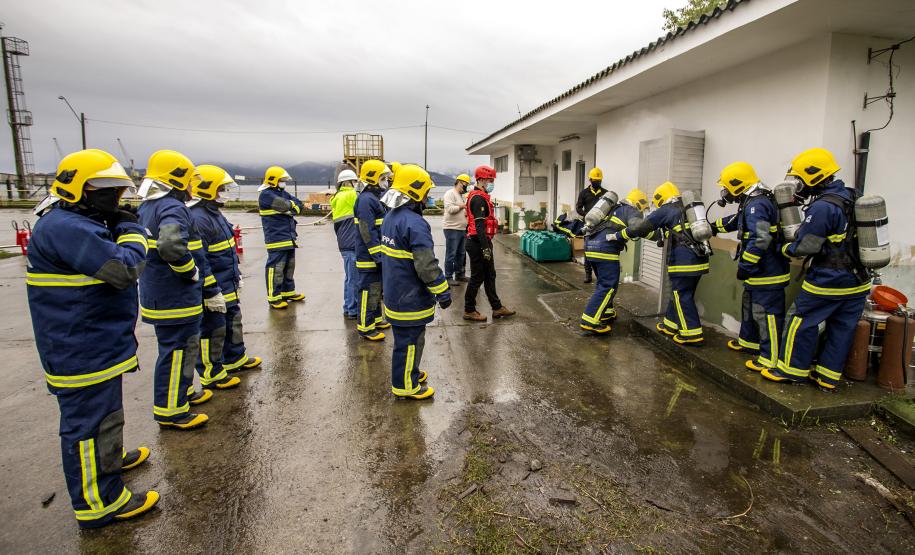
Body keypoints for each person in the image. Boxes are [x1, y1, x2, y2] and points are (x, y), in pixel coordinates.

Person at [26, 149, 159, 527]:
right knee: (87, 425)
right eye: (105, 191)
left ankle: (110, 462)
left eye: (117, 192)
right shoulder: (67, 228)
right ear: (77, 190)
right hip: (80, 346)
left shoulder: (73, 223)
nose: (114, 200)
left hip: (91, 342)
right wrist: (132, 231)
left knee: (105, 416)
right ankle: (100, 501)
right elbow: (123, 268)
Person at [762, 148, 871, 391]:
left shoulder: (822, 208)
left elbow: (806, 246)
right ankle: (827, 377)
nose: (797, 185)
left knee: (800, 322)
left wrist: (786, 250)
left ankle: (790, 371)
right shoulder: (853, 196)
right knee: (842, 328)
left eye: (799, 179)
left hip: (828, 280)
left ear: (813, 177)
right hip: (859, 281)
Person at [138, 149, 214, 430]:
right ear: (177, 179)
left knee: (180, 348)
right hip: (175, 295)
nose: (193, 186)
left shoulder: (148, 206)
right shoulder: (171, 207)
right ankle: (171, 410)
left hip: (160, 293)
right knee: (177, 350)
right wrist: (191, 271)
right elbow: (171, 246)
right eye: (189, 180)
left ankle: (180, 395)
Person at [188, 165, 264, 393]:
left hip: (227, 281)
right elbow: (200, 259)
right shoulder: (198, 218)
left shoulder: (213, 213)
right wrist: (209, 289)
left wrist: (236, 275)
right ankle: (212, 372)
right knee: (212, 329)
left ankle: (235, 358)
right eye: (220, 188)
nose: (224, 192)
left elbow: (226, 250)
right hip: (214, 284)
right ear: (207, 189)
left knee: (233, 321)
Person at [379, 164, 451, 399]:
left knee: (407, 340)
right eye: (427, 192)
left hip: (395, 292)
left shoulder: (391, 217)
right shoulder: (415, 223)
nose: (429, 196)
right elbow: (426, 265)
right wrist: (442, 291)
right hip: (409, 297)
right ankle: (405, 386)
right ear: (416, 191)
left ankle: (410, 371)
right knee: (409, 341)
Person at [711, 162, 790, 372]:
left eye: (727, 187)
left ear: (737, 184)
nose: (725, 192)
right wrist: (711, 226)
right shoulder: (750, 202)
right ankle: (749, 342)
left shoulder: (758, 204)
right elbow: (736, 221)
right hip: (758, 273)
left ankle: (769, 358)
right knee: (750, 308)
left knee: (767, 316)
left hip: (768, 273)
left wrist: (746, 265)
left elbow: (760, 238)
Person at [627, 181, 710, 345]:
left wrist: (625, 232)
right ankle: (670, 325)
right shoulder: (686, 208)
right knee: (680, 293)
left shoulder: (666, 209)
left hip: (683, 262)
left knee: (681, 295)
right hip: (700, 259)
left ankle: (692, 334)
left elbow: (642, 227)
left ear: (661, 199)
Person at [582, 189, 650, 335]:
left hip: (590, 247)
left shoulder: (612, 208)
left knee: (602, 283)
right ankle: (589, 321)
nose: (642, 212)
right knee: (608, 286)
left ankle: (606, 312)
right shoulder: (631, 210)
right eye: (643, 209)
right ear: (639, 203)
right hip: (605, 251)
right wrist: (657, 234)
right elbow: (638, 227)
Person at [463, 165, 516, 322]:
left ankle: (497, 307)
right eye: (489, 180)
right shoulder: (478, 198)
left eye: (492, 180)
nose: (491, 182)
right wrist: (485, 248)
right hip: (477, 242)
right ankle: (469, 309)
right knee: (477, 277)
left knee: (490, 275)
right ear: (480, 180)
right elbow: (479, 226)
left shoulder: (482, 196)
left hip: (482, 241)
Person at [353, 159, 392, 341]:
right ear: (373, 178)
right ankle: (365, 326)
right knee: (368, 290)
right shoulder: (365, 200)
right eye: (383, 178)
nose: (386, 181)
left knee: (376, 288)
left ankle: (376, 318)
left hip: (376, 254)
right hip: (368, 256)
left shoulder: (375, 198)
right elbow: (366, 230)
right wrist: (377, 255)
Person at [258, 166, 305, 309]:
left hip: (289, 236)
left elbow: (299, 205)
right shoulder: (266, 195)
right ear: (273, 180)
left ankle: (288, 292)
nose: (284, 183)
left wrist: (292, 207)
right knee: (276, 268)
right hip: (276, 237)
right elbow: (284, 206)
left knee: (289, 267)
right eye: (282, 180)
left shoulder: (282, 193)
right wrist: (291, 206)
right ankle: (274, 297)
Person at [331, 169, 360, 319]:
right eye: (354, 181)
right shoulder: (351, 195)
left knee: (349, 277)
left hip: (344, 242)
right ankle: (352, 309)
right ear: (347, 182)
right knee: (353, 278)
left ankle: (348, 307)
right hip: (351, 242)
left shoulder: (337, 197)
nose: (356, 184)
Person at [576, 168, 607, 284]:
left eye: (599, 181)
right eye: (595, 180)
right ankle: (588, 274)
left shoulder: (605, 193)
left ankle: (600, 275)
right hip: (588, 225)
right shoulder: (584, 193)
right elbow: (578, 208)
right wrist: (586, 215)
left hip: (601, 226)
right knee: (588, 250)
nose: (597, 182)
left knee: (601, 249)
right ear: (590, 180)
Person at [443, 173, 470, 284]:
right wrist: (462, 206)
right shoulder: (450, 193)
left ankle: (459, 274)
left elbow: (461, 211)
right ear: (459, 182)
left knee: (461, 253)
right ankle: (448, 277)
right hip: (451, 228)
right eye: (465, 184)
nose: (466, 186)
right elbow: (450, 209)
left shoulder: (460, 195)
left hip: (461, 229)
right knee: (451, 253)